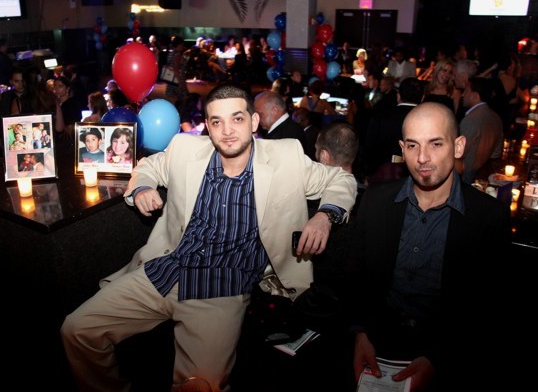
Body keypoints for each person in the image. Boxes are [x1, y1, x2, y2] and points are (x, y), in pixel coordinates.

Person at [60, 84, 358, 392]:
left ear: (254, 122)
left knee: (201, 386)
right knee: (77, 329)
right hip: (164, 270)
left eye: (237, 119)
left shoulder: (287, 156)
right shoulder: (185, 148)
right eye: (217, 121)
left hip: (221, 289)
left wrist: (325, 216)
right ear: (208, 126)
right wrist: (143, 188)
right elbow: (147, 166)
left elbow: (342, 179)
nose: (227, 131)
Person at [341, 102, 511, 391]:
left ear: (458, 146)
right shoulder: (376, 201)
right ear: (401, 149)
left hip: (448, 347)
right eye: (412, 145)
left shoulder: (488, 217)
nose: (422, 157)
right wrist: (360, 333)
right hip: (377, 341)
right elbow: (356, 278)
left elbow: (489, 306)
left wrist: (438, 358)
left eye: (436, 143)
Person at [456, 77, 503, 183]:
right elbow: (497, 152)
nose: (463, 95)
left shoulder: (471, 120)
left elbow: (459, 152)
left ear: (475, 96)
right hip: (484, 177)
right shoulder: (496, 117)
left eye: (466, 91)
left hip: (466, 179)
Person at [254, 90, 309, 156]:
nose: (257, 118)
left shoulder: (281, 137)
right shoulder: (292, 128)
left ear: (275, 110)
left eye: (260, 114)